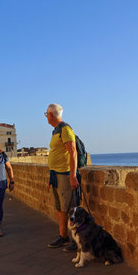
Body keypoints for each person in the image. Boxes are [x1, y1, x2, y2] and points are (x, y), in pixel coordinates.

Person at [45, 103, 79, 251]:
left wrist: (72, 176)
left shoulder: (65, 129)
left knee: (71, 208)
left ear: (51, 115)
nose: (46, 117)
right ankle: (63, 236)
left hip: (65, 175)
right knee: (60, 207)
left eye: (46, 114)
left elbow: (73, 152)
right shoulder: (56, 131)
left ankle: (75, 240)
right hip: (56, 175)